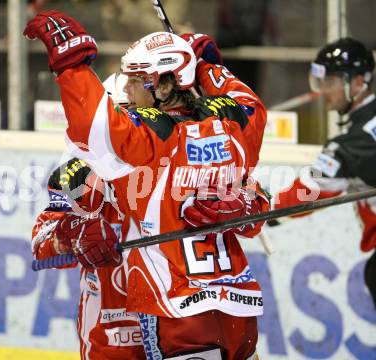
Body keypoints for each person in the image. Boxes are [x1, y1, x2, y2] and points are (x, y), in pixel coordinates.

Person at [25, 10, 269, 359]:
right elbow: (41, 243)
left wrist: (245, 206)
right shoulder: (78, 174)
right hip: (115, 334)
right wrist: (73, 234)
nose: (133, 119)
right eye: (122, 112)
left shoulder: (170, 145)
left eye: (132, 110)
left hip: (178, 314)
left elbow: (256, 205)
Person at [274, 37, 376, 308]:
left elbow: (311, 189)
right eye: (321, 82)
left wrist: (266, 209)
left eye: (331, 82)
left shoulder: (351, 146)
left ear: (358, 82)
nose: (323, 91)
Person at [32, 157, 146, 360]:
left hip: (176, 328)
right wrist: (68, 235)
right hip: (109, 338)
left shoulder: (171, 163)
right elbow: (41, 245)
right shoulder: (77, 174)